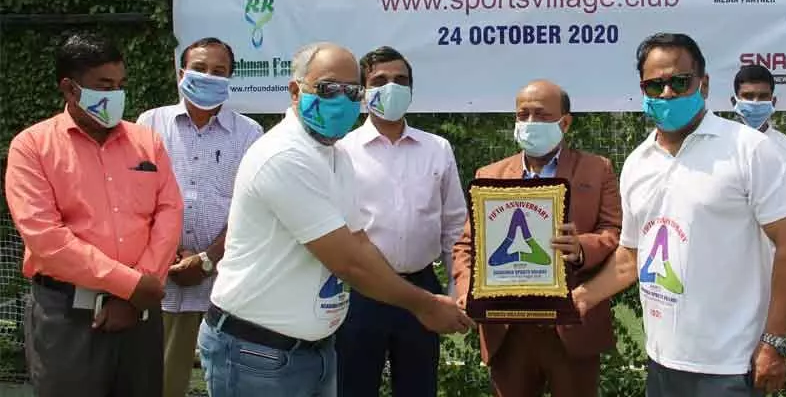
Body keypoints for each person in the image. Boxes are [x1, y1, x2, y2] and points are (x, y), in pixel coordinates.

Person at [197, 42, 473, 397]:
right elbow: (349, 261)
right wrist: (427, 304)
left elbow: (358, 240)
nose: (340, 100)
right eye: (328, 89)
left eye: (350, 92)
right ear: (296, 91)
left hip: (312, 349)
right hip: (258, 353)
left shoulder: (334, 154)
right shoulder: (284, 156)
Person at [572, 32, 786, 397]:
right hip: (663, 360)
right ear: (643, 89)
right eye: (655, 85)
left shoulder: (749, 150)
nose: (667, 93)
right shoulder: (638, 162)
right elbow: (631, 257)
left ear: (704, 83)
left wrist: (775, 342)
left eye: (680, 82)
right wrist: (583, 297)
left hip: (732, 364)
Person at [4, 32, 184, 397]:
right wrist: (129, 285)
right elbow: (46, 239)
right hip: (67, 316)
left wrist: (136, 291)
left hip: (140, 314)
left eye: (120, 85)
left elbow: (169, 212)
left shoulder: (147, 142)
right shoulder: (32, 147)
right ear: (70, 89)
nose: (116, 96)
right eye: (104, 86)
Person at [452, 80, 623, 397]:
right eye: (523, 114)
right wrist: (467, 291)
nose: (530, 123)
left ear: (565, 122)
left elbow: (614, 233)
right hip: (508, 330)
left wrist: (581, 248)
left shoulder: (597, 170)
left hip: (573, 323)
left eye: (542, 115)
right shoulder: (489, 175)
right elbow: (466, 246)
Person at [336, 46, 467, 397]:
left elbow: (455, 225)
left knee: (418, 388)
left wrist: (457, 289)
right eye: (380, 80)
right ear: (363, 92)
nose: (391, 87)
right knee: (353, 387)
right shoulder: (342, 151)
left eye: (400, 80)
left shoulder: (437, 148)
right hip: (361, 292)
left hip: (423, 288)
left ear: (411, 90)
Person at [136, 37, 263, 397]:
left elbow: (251, 209)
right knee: (157, 382)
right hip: (158, 281)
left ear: (230, 79)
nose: (208, 76)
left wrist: (207, 259)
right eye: (200, 68)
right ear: (181, 74)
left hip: (220, 286)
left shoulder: (250, 133)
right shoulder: (150, 123)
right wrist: (166, 256)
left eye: (218, 71)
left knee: (224, 383)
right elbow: (137, 195)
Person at [731, 64, 786, 197]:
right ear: (734, 101)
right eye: (748, 96)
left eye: (762, 96)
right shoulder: (719, 147)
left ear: (773, 102)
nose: (755, 102)